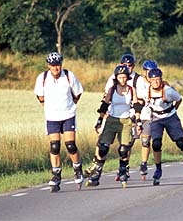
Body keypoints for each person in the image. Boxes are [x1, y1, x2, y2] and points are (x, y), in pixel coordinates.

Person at [84, 64, 142, 188]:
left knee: (123, 149)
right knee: (103, 147)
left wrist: (138, 121)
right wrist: (99, 120)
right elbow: (104, 105)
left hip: (126, 121)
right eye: (120, 77)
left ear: (127, 78)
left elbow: (136, 105)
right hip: (112, 120)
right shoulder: (112, 89)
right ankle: (97, 173)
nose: (123, 79)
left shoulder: (131, 90)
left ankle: (122, 171)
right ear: (116, 78)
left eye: (124, 77)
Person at [34, 52, 84, 192]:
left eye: (58, 65)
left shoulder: (68, 76)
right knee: (54, 146)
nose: (56, 68)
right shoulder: (42, 78)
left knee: (70, 145)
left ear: (61, 64)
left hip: (68, 114)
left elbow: (78, 93)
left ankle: (77, 168)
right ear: (48, 66)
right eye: (53, 65)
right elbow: (40, 96)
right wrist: (50, 108)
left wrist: (71, 105)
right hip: (52, 117)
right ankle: (56, 175)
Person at [143, 68, 183, 185]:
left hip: (170, 117)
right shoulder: (146, 92)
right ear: (149, 80)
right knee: (156, 144)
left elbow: (179, 99)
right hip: (156, 119)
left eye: (158, 79)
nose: (156, 82)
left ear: (161, 79)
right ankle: (158, 169)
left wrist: (174, 109)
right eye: (153, 80)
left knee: (181, 142)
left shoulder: (168, 91)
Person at [102, 54, 145, 181]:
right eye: (125, 65)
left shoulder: (138, 79)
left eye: (130, 65)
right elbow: (106, 95)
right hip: (115, 113)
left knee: (126, 145)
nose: (128, 68)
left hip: (131, 112)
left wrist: (137, 117)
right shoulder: (114, 78)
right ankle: (98, 167)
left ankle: (124, 167)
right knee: (105, 144)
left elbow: (141, 99)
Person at [137, 60, 159, 180]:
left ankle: (144, 163)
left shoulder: (157, 81)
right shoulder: (139, 81)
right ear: (144, 72)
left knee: (146, 141)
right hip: (138, 114)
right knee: (128, 143)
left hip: (150, 115)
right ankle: (125, 167)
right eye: (148, 71)